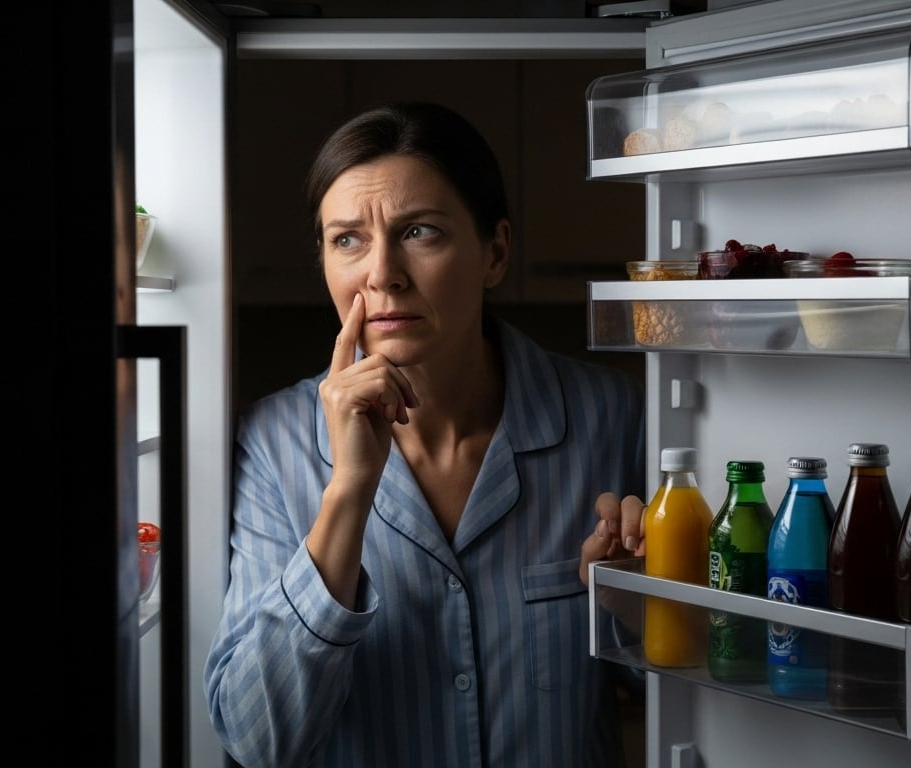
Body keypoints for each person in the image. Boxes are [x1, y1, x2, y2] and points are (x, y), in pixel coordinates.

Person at [203, 101, 649, 768]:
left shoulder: (611, 418)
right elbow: (258, 740)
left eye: (420, 232)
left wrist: (642, 613)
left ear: (494, 252)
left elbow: (688, 691)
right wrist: (348, 493)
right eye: (347, 239)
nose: (382, 273)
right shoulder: (271, 443)